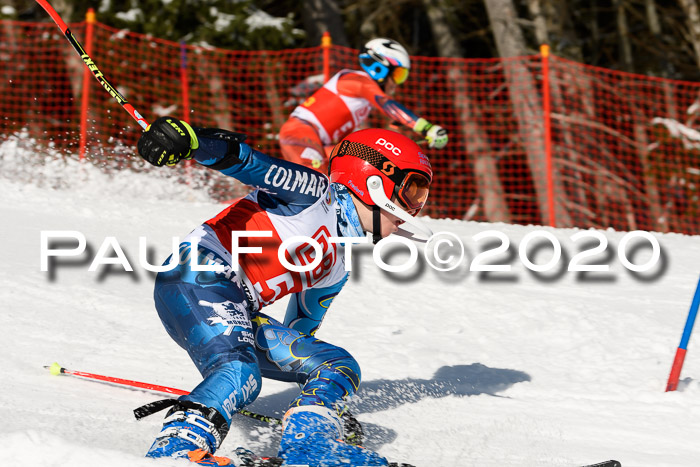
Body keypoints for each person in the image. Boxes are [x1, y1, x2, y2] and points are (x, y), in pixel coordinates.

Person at [134, 116, 433, 466]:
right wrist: (192, 142)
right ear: (374, 179)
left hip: (234, 307)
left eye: (421, 196)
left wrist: (320, 411)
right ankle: (174, 452)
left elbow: (296, 341)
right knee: (239, 371)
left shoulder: (335, 269)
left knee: (338, 365)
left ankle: (311, 444)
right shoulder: (313, 192)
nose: (414, 208)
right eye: (413, 190)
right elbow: (246, 162)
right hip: (195, 276)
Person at [279, 37, 448, 173]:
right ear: (379, 66)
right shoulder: (358, 80)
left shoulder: (365, 101)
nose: (396, 84)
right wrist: (426, 127)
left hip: (317, 142)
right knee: (315, 184)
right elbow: (388, 106)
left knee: (362, 163)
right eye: (398, 75)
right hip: (301, 132)